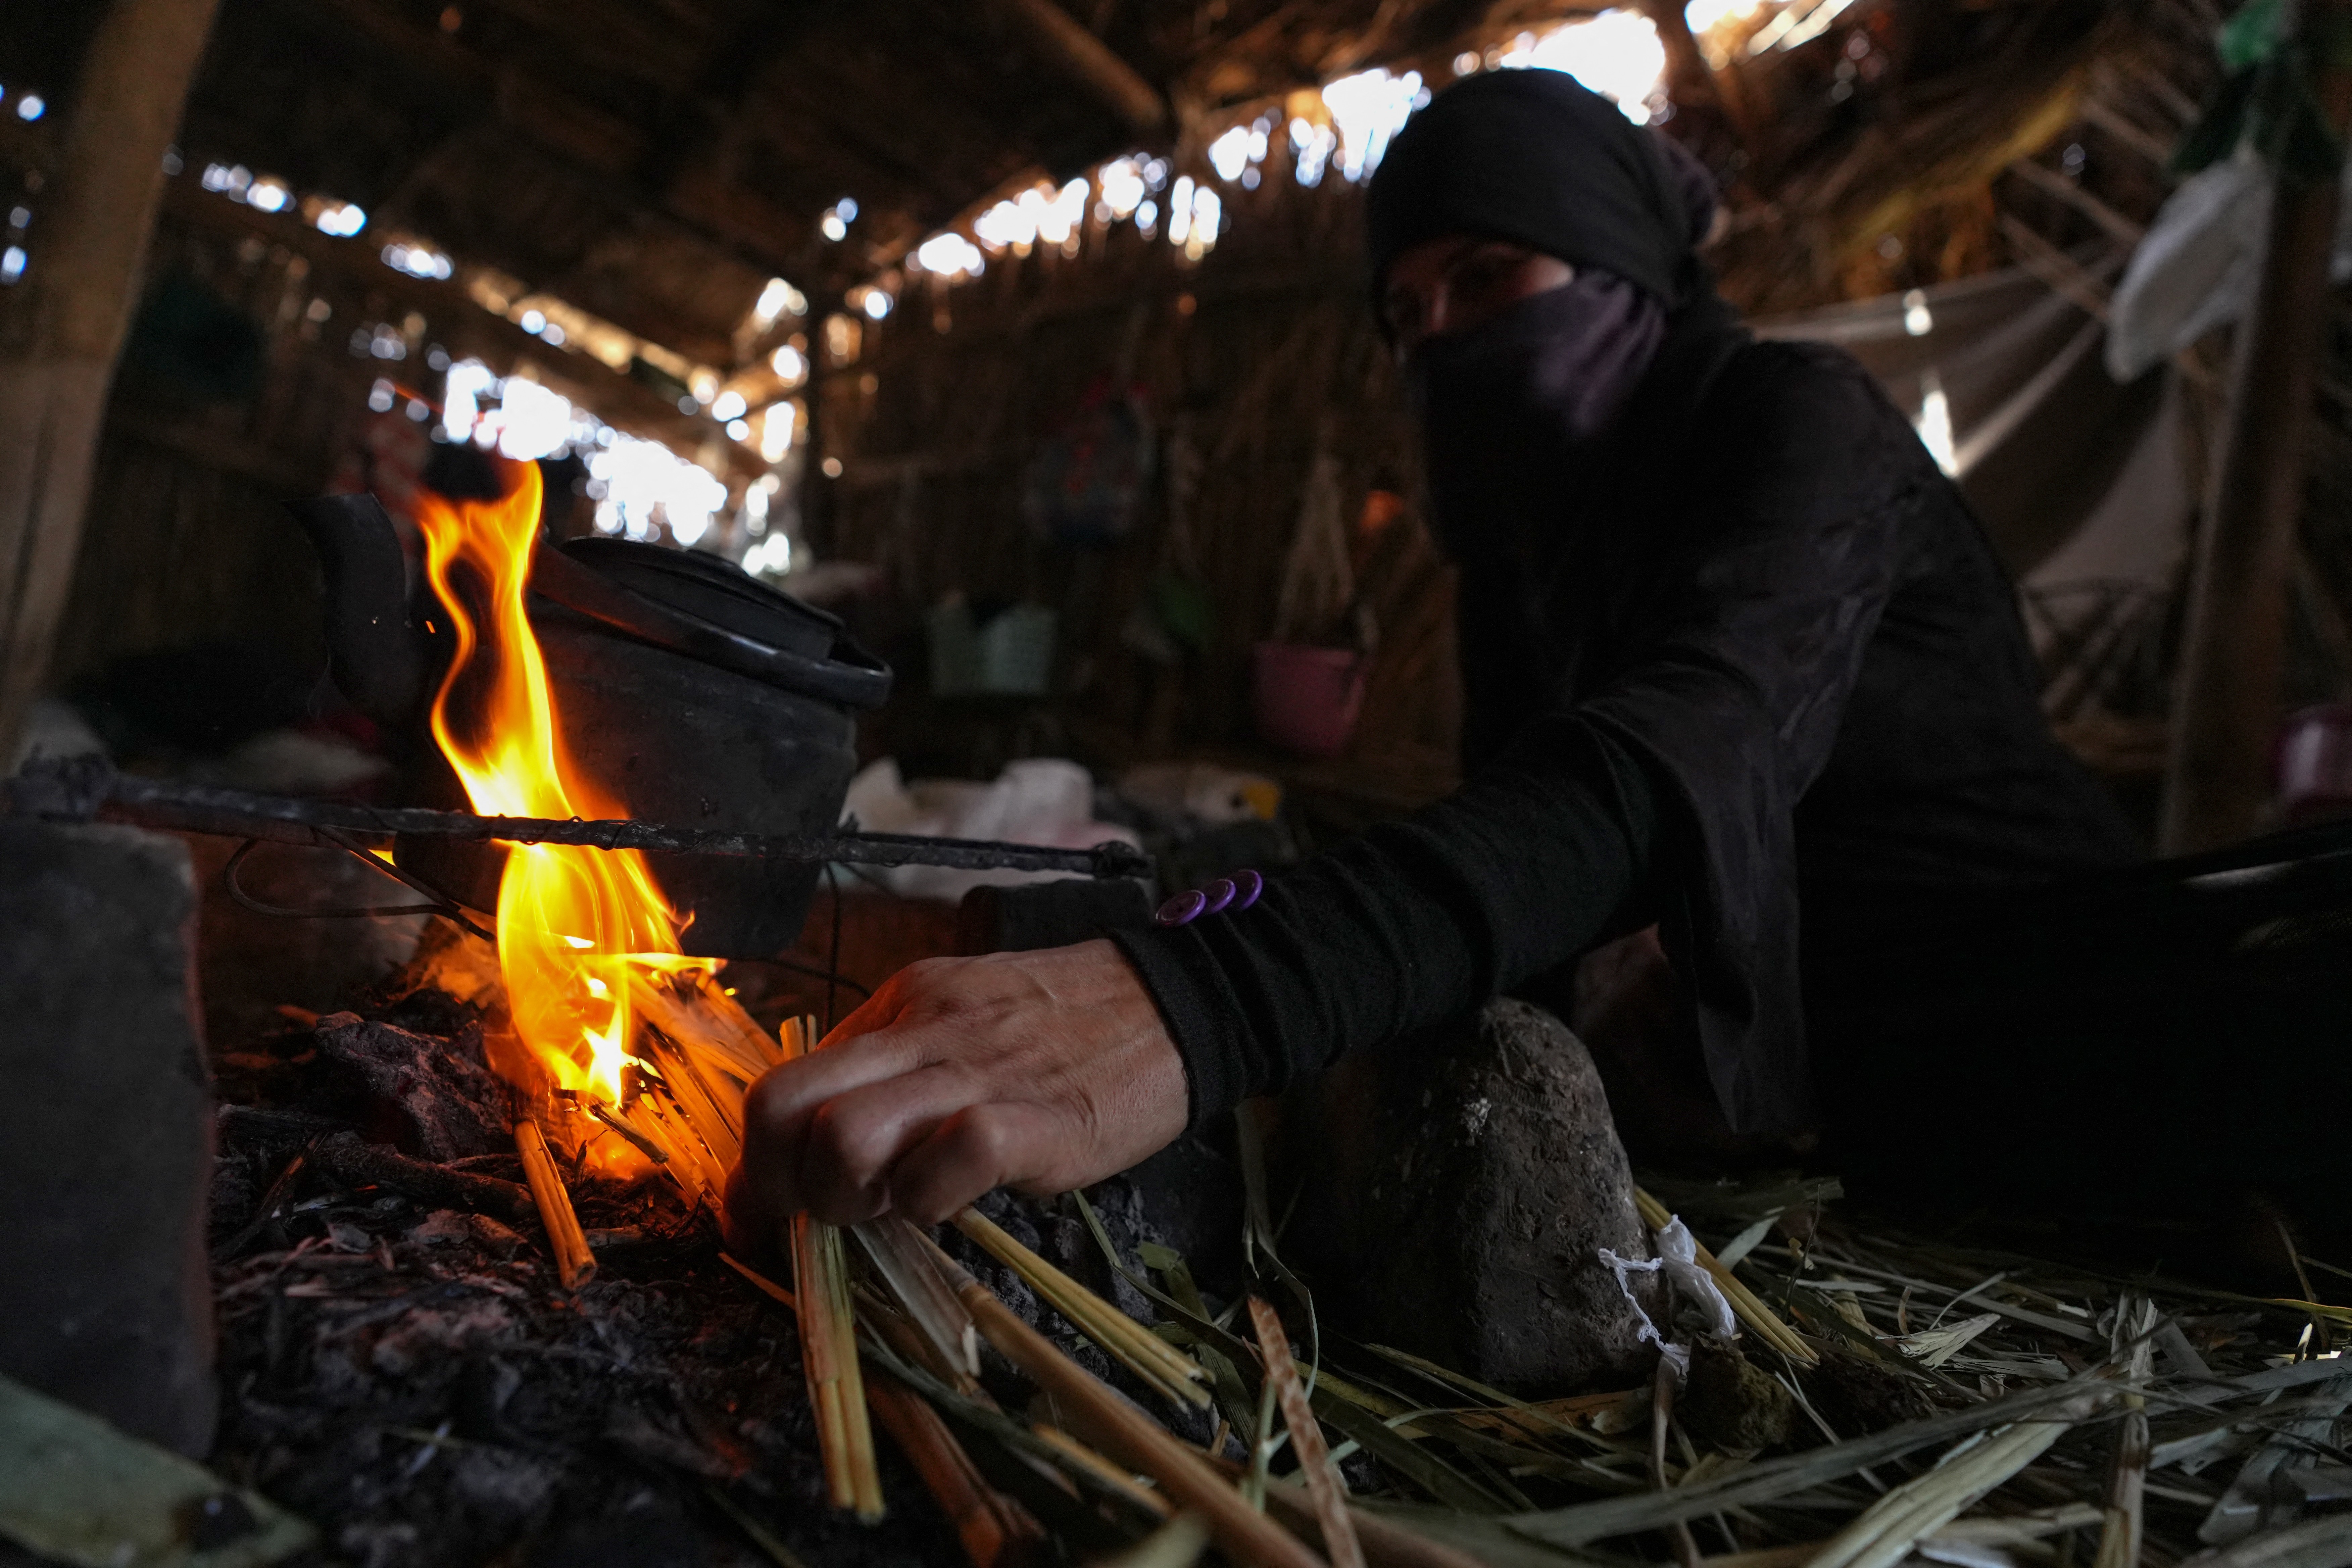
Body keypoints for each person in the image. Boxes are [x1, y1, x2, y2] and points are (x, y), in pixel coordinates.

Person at [726, 71, 2338, 1259]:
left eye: (1488, 282)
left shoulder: (1799, 425)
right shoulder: (1526, 546)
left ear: (1626, 270)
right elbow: (1533, 836)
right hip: (1791, 1081)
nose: (1441, 343)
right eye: (1408, 315)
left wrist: (1203, 998)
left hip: (2027, 1011)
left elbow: (1680, 755)